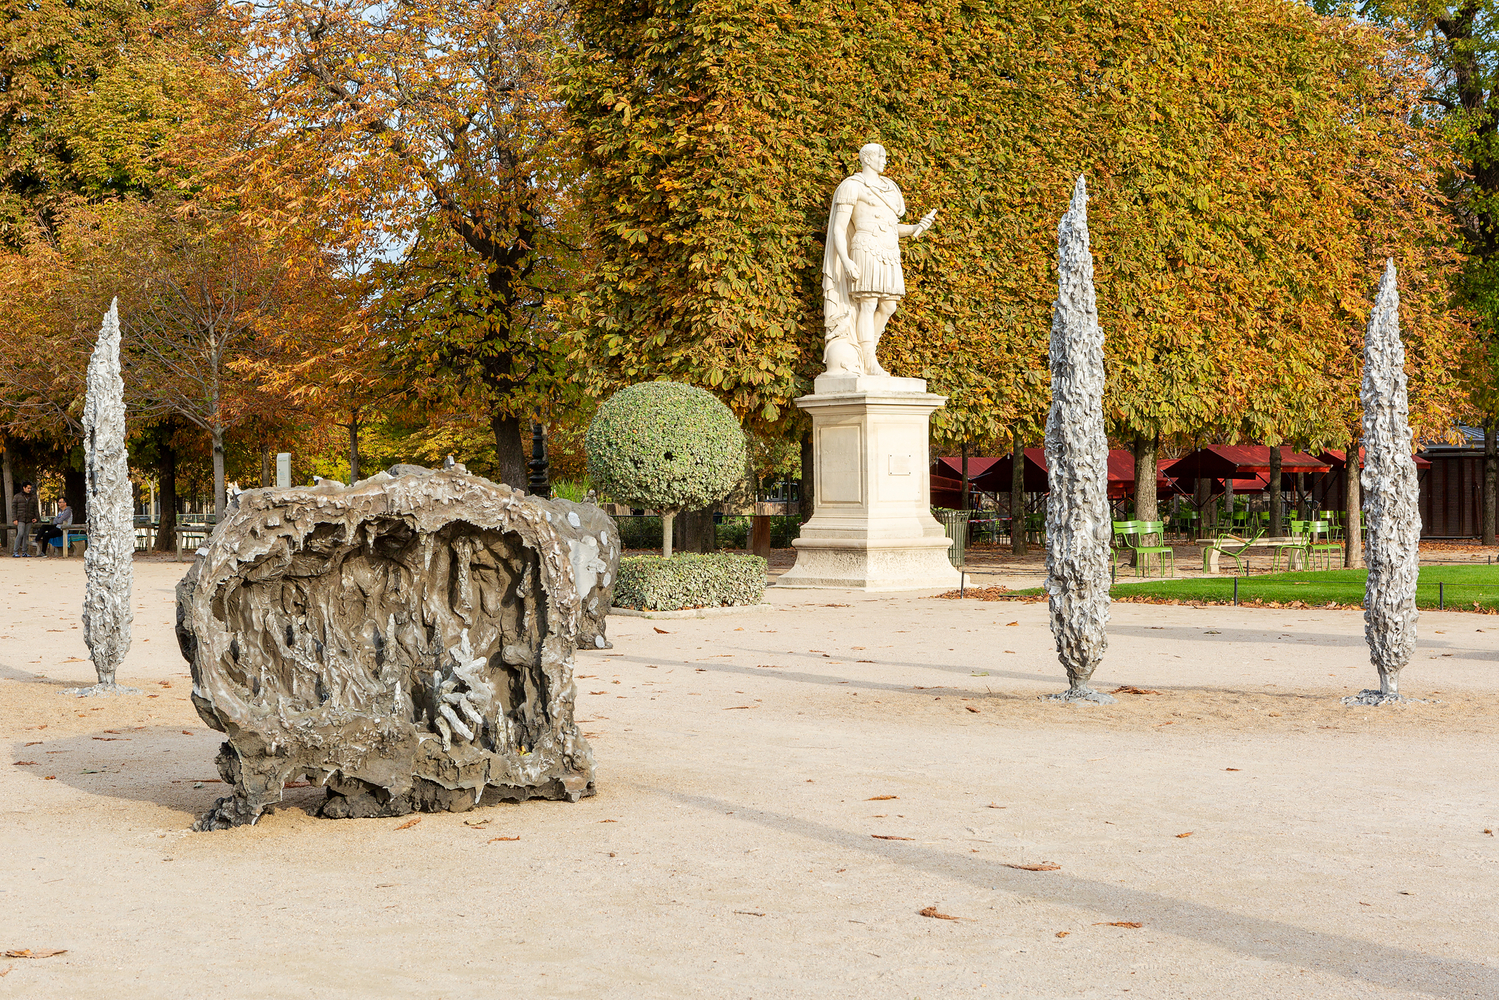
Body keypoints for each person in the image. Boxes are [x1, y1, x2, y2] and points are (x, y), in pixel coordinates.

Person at [821, 142, 938, 377]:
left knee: (889, 305)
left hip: (889, 250)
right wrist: (845, 260)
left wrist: (916, 227)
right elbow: (839, 228)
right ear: (867, 158)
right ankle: (869, 360)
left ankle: (868, 351)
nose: (885, 161)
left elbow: (891, 227)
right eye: (881, 156)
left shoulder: (889, 188)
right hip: (865, 246)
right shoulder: (852, 186)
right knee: (868, 303)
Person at [11, 480, 39, 557]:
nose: (29, 490)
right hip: (20, 518)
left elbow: (35, 508)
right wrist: (14, 518)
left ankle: (24, 551)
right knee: (20, 533)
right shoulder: (17, 496)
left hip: (29, 518)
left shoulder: (33, 497)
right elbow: (14, 508)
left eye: (30, 488)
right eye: (28, 488)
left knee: (26, 535)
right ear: (24, 488)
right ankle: (15, 551)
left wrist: (36, 517)